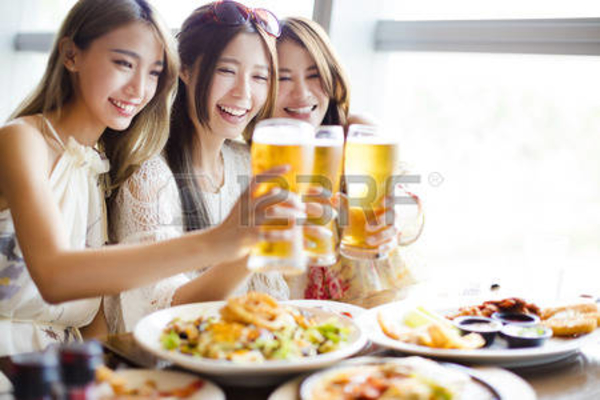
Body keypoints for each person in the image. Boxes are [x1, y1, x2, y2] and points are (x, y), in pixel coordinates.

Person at [0, 0, 298, 356]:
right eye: (124, 63)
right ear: (71, 55)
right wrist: (221, 241)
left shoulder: (99, 164)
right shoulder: (21, 140)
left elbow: (94, 320)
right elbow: (55, 277)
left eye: (155, 72)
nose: (139, 88)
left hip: (63, 372)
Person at [108, 2, 324, 333]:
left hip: (254, 357)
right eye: (226, 71)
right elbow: (161, 315)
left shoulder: (249, 162)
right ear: (186, 69)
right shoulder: (151, 178)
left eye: (260, 77)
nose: (244, 93)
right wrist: (250, 244)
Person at [273, 17, 422, 307]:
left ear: (332, 78)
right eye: (284, 78)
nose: (302, 92)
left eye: (314, 75)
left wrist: (392, 219)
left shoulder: (354, 133)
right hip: (302, 327)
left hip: (376, 312)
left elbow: (407, 199)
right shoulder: (260, 152)